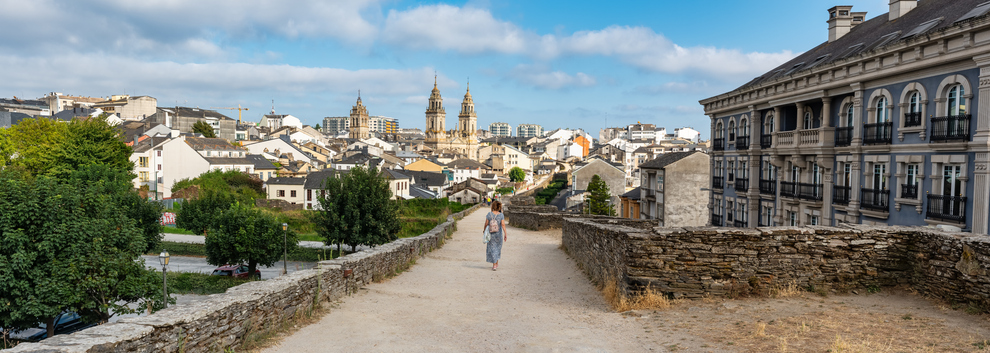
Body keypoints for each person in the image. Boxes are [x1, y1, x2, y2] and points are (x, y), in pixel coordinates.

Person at [483, 200, 507, 271]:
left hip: (491, 234)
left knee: (492, 248)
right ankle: (495, 263)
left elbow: (486, 223)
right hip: (498, 235)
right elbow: (503, 224)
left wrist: (484, 231)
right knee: (497, 248)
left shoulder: (489, 214)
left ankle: (494, 265)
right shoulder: (501, 215)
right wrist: (505, 233)